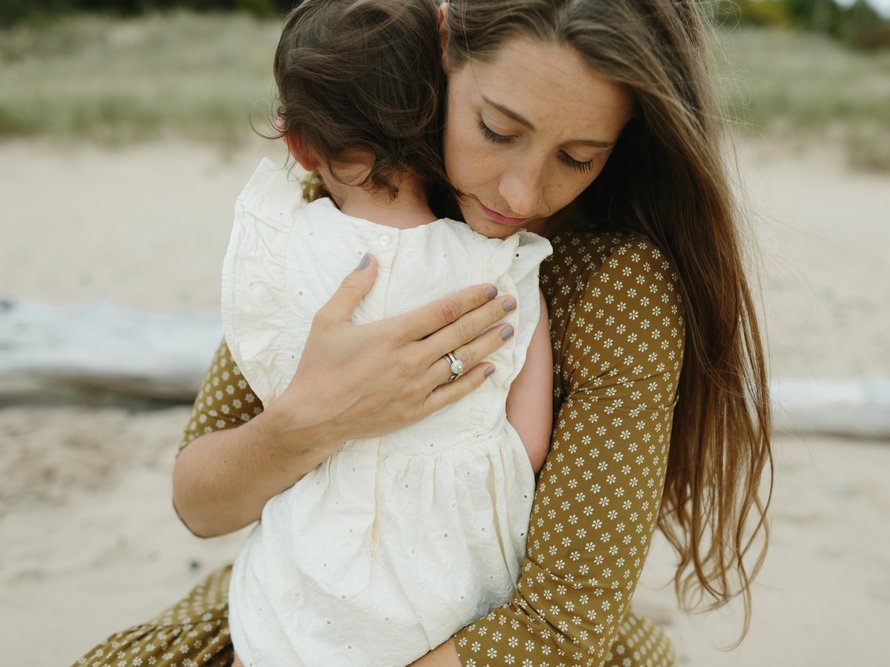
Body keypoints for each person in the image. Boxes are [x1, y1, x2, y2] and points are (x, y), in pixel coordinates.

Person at [75, 0, 773, 665]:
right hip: (301, 612)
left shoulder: (619, 289)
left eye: (578, 157)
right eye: (498, 131)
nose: (520, 196)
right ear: (443, 44)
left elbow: (560, 630)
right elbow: (198, 503)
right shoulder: (358, 198)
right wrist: (309, 421)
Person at [221, 1, 552, 665]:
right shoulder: (500, 265)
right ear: (444, 113)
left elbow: (264, 369)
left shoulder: (282, 247)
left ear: (298, 144)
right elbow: (529, 442)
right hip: (450, 596)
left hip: (297, 603)